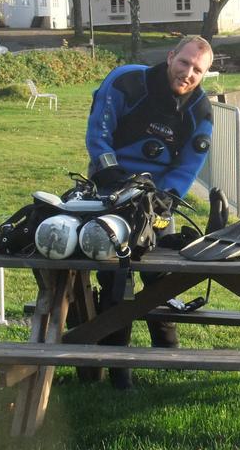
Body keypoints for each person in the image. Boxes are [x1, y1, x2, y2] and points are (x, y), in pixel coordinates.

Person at [85, 36, 215, 388]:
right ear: (171, 56)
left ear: (205, 74)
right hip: (109, 191)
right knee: (115, 280)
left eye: (197, 70)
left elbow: (188, 166)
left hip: (155, 200)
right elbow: (99, 133)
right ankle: (118, 370)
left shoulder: (201, 111)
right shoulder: (126, 81)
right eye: (184, 63)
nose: (188, 73)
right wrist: (112, 176)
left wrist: (163, 199)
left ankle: (168, 354)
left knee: (161, 277)